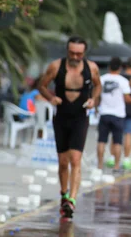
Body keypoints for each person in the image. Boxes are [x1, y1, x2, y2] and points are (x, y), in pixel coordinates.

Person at [38, 36, 101, 220]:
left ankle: (72, 200)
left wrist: (93, 100)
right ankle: (64, 193)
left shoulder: (92, 68)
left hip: (80, 117)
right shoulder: (56, 66)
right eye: (72, 53)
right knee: (63, 161)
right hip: (61, 117)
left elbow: (98, 86)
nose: (75, 56)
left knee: (75, 159)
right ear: (67, 51)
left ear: (84, 53)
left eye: (79, 54)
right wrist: (51, 98)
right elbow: (42, 85)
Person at [96, 57, 131, 171]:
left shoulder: (102, 79)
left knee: (101, 141)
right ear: (120, 68)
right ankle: (116, 166)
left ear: (109, 67)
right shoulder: (123, 81)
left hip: (104, 112)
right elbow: (127, 98)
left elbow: (97, 96)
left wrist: (96, 107)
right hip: (118, 114)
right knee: (117, 141)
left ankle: (100, 165)